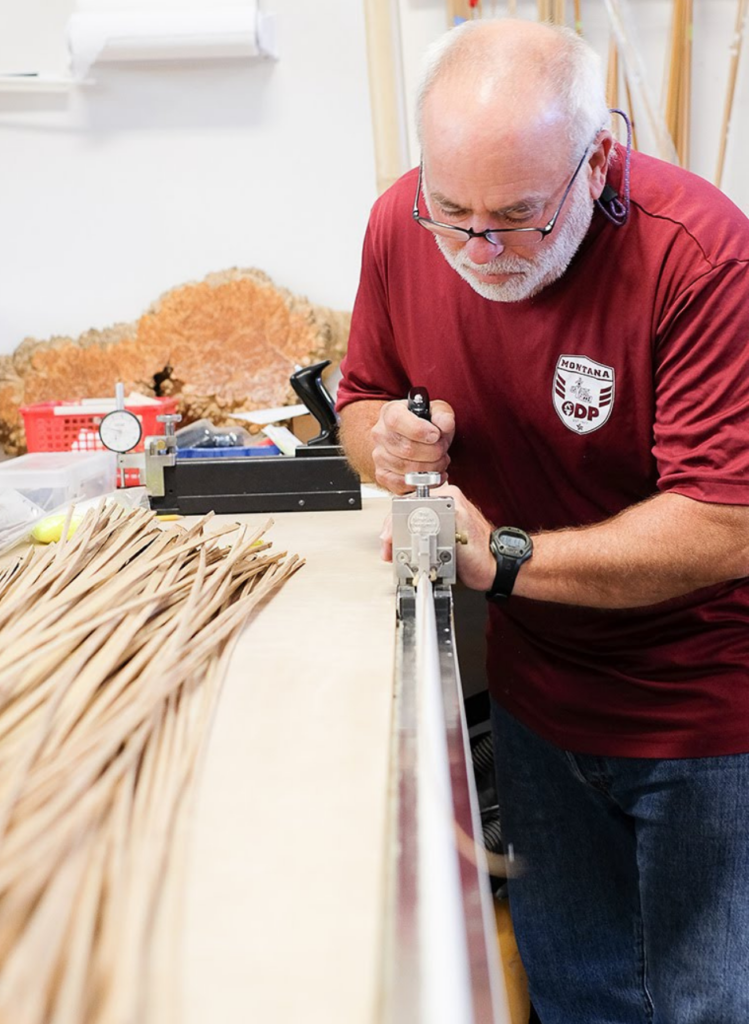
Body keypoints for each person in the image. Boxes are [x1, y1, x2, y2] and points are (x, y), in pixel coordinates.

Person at [336, 17, 749, 1024]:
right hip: (534, 704)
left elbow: (724, 520)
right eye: (453, 211)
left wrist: (504, 556)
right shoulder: (401, 225)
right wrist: (382, 440)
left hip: (699, 715)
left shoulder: (697, 256)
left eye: (516, 216)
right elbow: (358, 403)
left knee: (702, 1002)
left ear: (597, 158)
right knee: (574, 994)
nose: (478, 248)